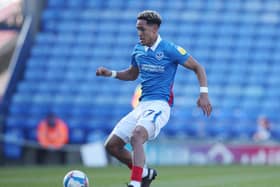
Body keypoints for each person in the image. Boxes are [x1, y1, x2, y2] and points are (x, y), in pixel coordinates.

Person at [96, 10, 212, 187]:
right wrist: (111, 73)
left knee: (137, 136)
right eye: (137, 29)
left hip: (159, 105)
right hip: (142, 106)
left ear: (155, 28)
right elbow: (132, 74)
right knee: (112, 146)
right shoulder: (138, 49)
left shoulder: (170, 49)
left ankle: (136, 183)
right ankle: (144, 173)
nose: (139, 33)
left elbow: (198, 67)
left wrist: (203, 94)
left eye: (142, 29)